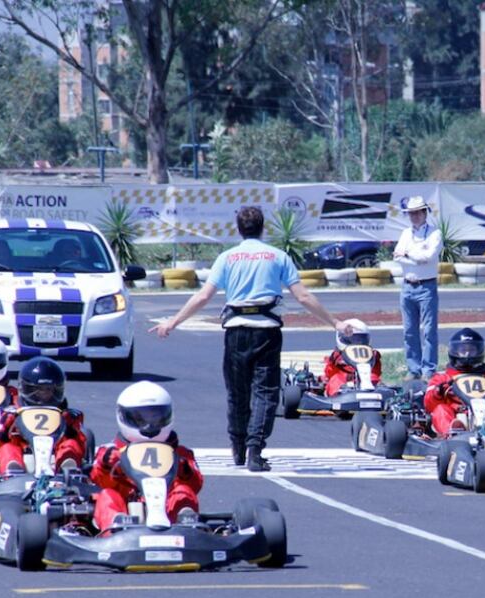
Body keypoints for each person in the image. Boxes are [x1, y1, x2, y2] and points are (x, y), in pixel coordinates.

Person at [150, 206, 351, 471]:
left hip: (236, 332)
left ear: (238, 229)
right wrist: (335, 322)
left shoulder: (227, 258)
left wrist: (172, 322)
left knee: (237, 393)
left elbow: (203, 297)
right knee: (266, 393)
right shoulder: (278, 257)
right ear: (263, 228)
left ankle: (238, 446)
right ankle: (255, 449)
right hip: (266, 331)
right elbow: (303, 297)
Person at [90, 381, 203, 531]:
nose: (149, 426)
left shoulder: (180, 454)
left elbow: (196, 485)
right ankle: (116, 525)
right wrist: (107, 466)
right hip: (126, 510)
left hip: (167, 512)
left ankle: (187, 523)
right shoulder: (110, 451)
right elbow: (97, 482)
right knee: (107, 495)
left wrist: (185, 471)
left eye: (155, 418)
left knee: (183, 490)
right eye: (141, 419)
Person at [0, 357, 87, 476]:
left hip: (55, 457)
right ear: (25, 388)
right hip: (24, 455)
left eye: (48, 389)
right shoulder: (12, 414)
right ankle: (12, 470)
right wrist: (8, 428)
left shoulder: (68, 415)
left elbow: (80, 440)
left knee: (71, 444)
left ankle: (68, 467)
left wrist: (67, 421)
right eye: (38, 390)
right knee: (8, 448)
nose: (44, 394)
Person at [423, 328, 485, 437]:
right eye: (463, 350)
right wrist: (437, 392)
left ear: (479, 351)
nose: (467, 354)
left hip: (484, 414)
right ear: (454, 352)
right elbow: (428, 404)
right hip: (455, 414)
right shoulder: (442, 378)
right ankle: (452, 431)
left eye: (471, 350)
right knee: (440, 409)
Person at [394, 196, 443, 380]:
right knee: (409, 330)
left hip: (426, 286)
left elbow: (428, 257)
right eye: (410, 213)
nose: (413, 216)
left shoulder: (434, 233)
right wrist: (414, 257)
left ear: (424, 213)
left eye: (417, 213)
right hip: (407, 286)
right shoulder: (406, 233)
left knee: (429, 330)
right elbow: (397, 256)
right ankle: (413, 368)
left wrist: (407, 253)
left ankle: (428, 369)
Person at [323, 318, 382, 397]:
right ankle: (337, 396)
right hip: (343, 382)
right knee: (336, 380)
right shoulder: (337, 355)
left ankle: (375, 394)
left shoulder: (372, 354)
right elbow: (330, 372)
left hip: (367, 380)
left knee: (374, 379)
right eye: (352, 339)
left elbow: (376, 372)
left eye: (359, 339)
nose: (356, 342)